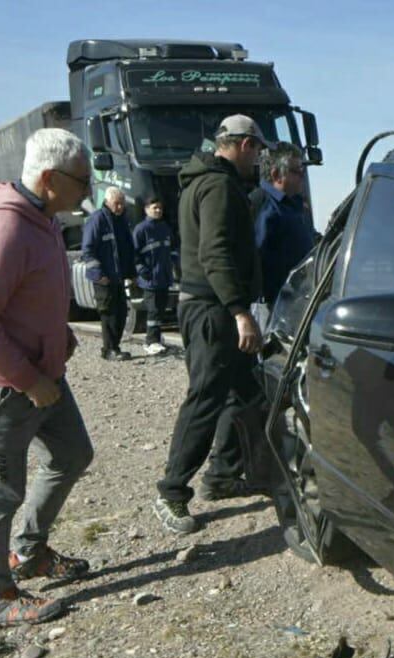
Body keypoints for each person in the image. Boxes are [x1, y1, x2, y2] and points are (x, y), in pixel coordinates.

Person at [0, 127, 96, 625]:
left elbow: (30, 296)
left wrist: (58, 336)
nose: (89, 190)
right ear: (50, 178)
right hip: (2, 384)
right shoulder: (8, 229)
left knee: (72, 454)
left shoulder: (44, 217)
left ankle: (29, 551)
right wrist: (27, 380)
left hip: (41, 371)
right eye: (83, 180)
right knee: (1, 489)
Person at [154, 114, 267, 534]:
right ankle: (171, 491)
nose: (257, 157)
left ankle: (221, 476)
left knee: (246, 393)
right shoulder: (218, 186)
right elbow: (215, 251)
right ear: (240, 144)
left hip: (211, 305)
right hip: (212, 309)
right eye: (256, 148)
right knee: (205, 397)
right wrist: (240, 313)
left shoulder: (203, 181)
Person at [255, 143, 317, 306]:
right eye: (296, 171)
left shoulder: (294, 205)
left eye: (303, 170)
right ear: (277, 175)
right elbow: (255, 256)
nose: (302, 176)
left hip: (297, 299)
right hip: (274, 303)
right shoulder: (262, 205)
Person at [81, 186, 135, 359]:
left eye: (122, 204)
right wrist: (99, 274)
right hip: (104, 277)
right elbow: (88, 250)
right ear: (107, 201)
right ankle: (109, 349)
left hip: (117, 277)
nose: (120, 207)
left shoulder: (121, 221)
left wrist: (131, 272)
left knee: (120, 313)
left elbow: (127, 249)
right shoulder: (97, 220)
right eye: (116, 204)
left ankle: (115, 347)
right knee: (109, 313)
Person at [132, 196, 173, 355]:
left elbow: (171, 249)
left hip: (163, 277)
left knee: (160, 310)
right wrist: (143, 271)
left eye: (160, 208)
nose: (158, 211)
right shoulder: (141, 229)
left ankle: (157, 338)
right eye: (154, 208)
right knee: (153, 311)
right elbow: (134, 254)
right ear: (146, 209)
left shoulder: (164, 228)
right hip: (150, 279)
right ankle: (151, 342)